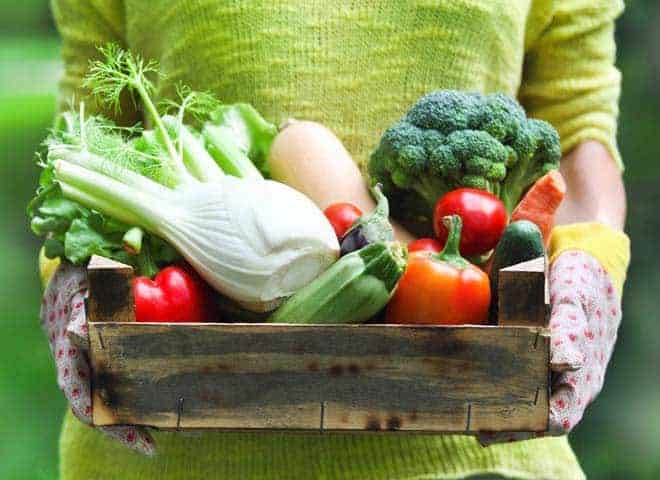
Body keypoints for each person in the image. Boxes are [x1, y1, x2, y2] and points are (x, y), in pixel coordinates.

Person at [42, 0, 630, 479]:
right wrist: (70, 281)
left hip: (484, 458)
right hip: (164, 456)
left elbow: (578, 121)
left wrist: (591, 263)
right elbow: (89, 130)